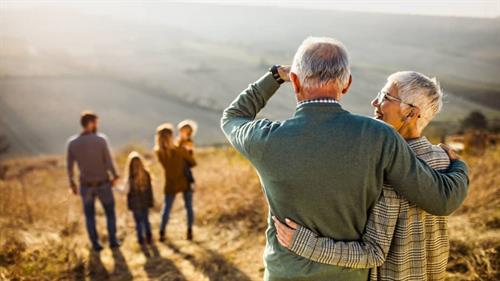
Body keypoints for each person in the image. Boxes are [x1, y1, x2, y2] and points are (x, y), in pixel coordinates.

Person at [220, 37, 469, 281]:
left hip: (285, 273)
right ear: (347, 84)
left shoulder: (265, 139)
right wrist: (458, 166)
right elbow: (441, 200)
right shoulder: (379, 136)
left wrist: (275, 76)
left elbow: (233, 117)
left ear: (295, 81)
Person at [274, 71, 458, 280]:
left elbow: (373, 253)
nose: (374, 102)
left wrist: (305, 244)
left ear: (410, 113)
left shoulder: (385, 169)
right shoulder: (445, 159)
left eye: (386, 97)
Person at [66, 111, 120, 251]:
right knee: (110, 213)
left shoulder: (72, 143)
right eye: (96, 122)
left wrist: (72, 184)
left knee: (89, 216)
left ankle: (95, 244)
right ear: (90, 123)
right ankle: (113, 241)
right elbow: (108, 161)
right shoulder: (101, 140)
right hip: (103, 183)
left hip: (85, 185)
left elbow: (70, 167)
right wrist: (115, 176)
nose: (97, 125)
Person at [155, 123, 197, 241]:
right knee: (188, 207)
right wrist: (189, 151)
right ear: (171, 136)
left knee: (166, 209)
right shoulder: (180, 150)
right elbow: (193, 163)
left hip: (170, 182)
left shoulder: (159, 152)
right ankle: (189, 231)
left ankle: (162, 232)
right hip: (185, 181)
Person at [124, 151, 154, 245]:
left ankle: (141, 239)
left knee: (138, 223)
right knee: (146, 221)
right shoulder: (146, 174)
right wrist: (150, 201)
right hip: (145, 202)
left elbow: (127, 192)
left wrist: (129, 205)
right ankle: (149, 237)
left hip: (135, 204)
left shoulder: (130, 177)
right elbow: (150, 190)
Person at [176, 119, 198, 191]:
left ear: (189, 132)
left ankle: (191, 182)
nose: (182, 133)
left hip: (186, 160)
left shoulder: (189, 141)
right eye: (182, 131)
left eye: (185, 131)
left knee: (186, 170)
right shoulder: (178, 140)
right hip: (178, 160)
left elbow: (189, 151)